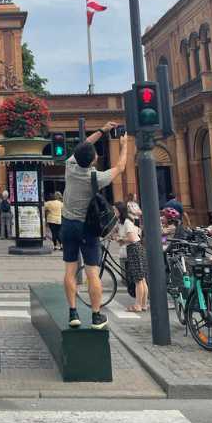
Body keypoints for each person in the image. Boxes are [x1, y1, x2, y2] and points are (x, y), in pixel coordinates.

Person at [61, 122, 128, 330]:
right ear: (93, 159)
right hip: (88, 228)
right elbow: (121, 167)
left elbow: (83, 146)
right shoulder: (97, 178)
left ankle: (73, 313)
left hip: (68, 224)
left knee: (70, 270)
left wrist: (101, 131)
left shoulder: (70, 166)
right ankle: (96, 316)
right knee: (92, 272)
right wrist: (124, 144)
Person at [114, 201, 148, 312]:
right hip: (136, 248)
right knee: (141, 279)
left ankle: (137, 305)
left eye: (115, 210)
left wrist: (121, 239)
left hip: (134, 249)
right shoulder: (122, 222)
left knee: (138, 280)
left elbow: (132, 239)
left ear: (120, 211)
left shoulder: (127, 222)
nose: (114, 212)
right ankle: (143, 304)